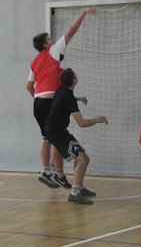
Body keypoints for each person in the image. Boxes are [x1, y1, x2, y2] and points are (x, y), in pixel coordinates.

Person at [26, 7, 95, 190]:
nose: (53, 40)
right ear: (46, 44)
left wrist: (39, 100)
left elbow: (29, 86)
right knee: (51, 138)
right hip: (47, 102)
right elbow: (71, 29)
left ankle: (57, 174)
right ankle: (48, 172)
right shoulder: (53, 50)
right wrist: (83, 13)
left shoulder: (35, 61)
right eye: (49, 38)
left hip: (39, 102)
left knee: (51, 137)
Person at [45, 68, 108, 204]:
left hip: (56, 130)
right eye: (75, 75)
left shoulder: (62, 91)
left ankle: (79, 187)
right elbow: (82, 123)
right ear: (73, 80)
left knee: (84, 158)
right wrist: (98, 119)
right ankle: (74, 193)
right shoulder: (67, 97)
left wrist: (78, 98)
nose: (76, 76)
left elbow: (67, 98)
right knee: (81, 160)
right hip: (56, 132)